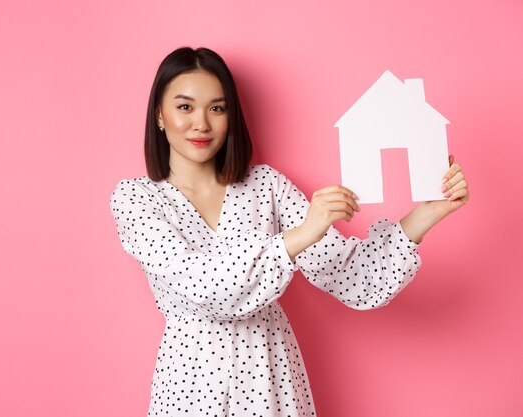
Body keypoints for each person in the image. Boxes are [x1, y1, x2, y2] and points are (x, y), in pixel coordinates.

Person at [109, 47, 469, 417]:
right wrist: (303, 233)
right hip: (190, 384)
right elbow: (204, 284)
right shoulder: (136, 200)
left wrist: (426, 214)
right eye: (185, 107)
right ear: (159, 115)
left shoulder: (265, 186)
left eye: (217, 108)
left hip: (269, 376)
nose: (201, 123)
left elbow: (353, 278)